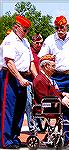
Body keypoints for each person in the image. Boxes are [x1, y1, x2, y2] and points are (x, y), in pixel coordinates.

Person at [0, 15, 38, 149]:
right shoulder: (10, 40)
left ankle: (14, 137)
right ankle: (5, 140)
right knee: (8, 109)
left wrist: (37, 78)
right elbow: (9, 62)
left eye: (27, 30)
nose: (26, 32)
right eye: (25, 29)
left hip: (23, 77)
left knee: (19, 109)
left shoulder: (25, 42)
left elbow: (31, 62)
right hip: (10, 77)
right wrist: (20, 78)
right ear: (16, 27)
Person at [25, 33, 46, 132]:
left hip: (41, 82)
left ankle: (40, 124)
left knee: (40, 103)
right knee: (30, 103)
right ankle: (32, 127)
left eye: (41, 43)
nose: (39, 45)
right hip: (30, 80)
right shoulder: (28, 51)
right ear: (32, 42)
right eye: (37, 43)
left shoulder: (44, 52)